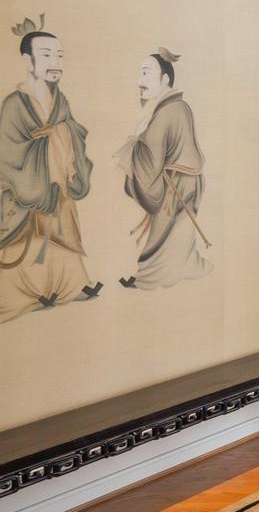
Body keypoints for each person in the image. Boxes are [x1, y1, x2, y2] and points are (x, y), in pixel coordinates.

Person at [0, 18, 101, 320]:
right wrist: (47, 151)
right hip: (25, 187)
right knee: (23, 242)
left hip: (58, 186)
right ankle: (22, 293)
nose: (55, 62)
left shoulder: (61, 100)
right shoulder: (15, 103)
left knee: (62, 234)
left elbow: (73, 132)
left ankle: (69, 285)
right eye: (46, 55)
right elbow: (7, 152)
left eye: (59, 56)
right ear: (27, 60)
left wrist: (64, 136)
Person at [120, 48, 210, 289]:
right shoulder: (180, 107)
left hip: (175, 185)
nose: (139, 81)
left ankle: (151, 278)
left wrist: (138, 141)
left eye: (146, 73)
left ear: (165, 78)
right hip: (186, 181)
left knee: (168, 236)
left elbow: (150, 162)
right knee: (180, 234)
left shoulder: (168, 112)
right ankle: (168, 273)